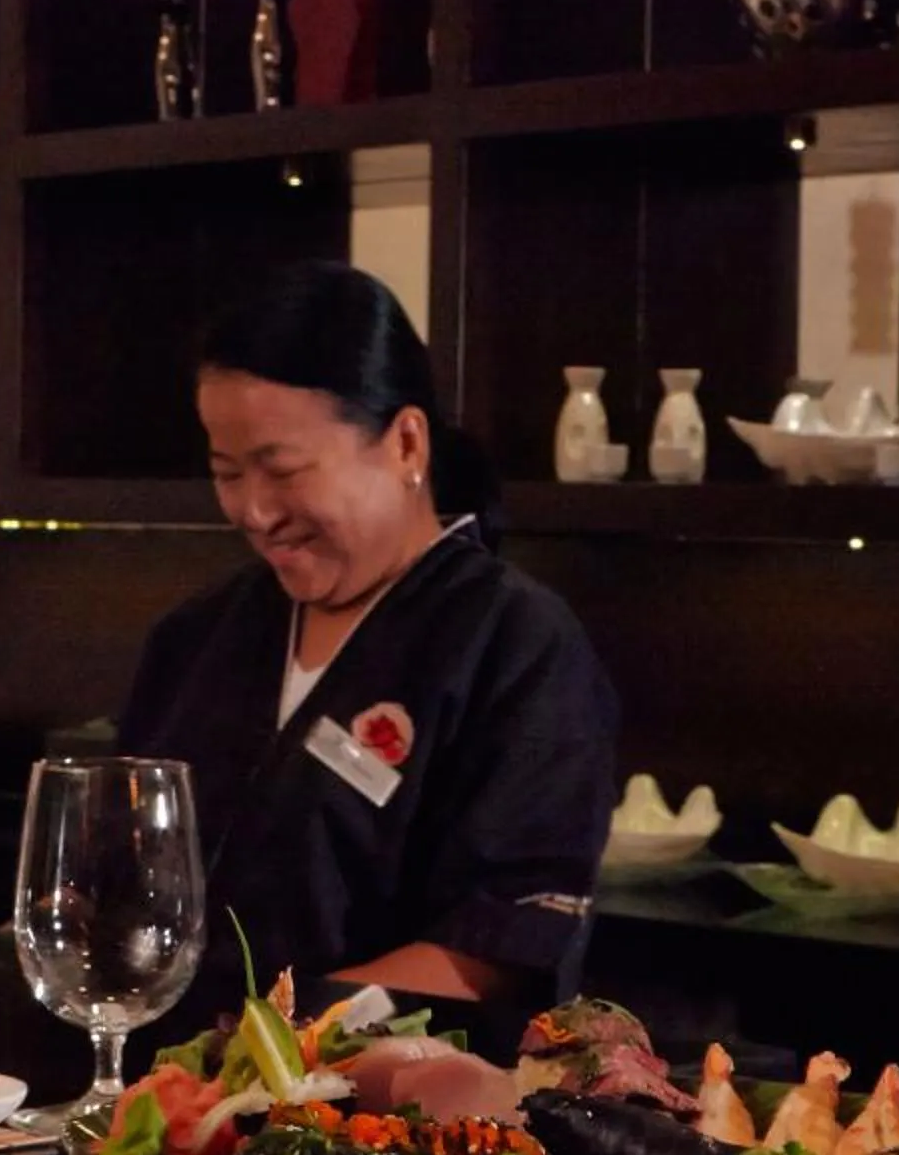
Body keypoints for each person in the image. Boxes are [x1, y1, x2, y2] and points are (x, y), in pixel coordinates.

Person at [118, 264, 617, 1006]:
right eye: (226, 473)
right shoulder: (197, 636)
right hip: (165, 1098)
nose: (254, 511)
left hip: (385, 1106)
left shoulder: (517, 646)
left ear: (407, 444)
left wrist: (260, 1049)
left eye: (282, 469)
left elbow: (494, 950)